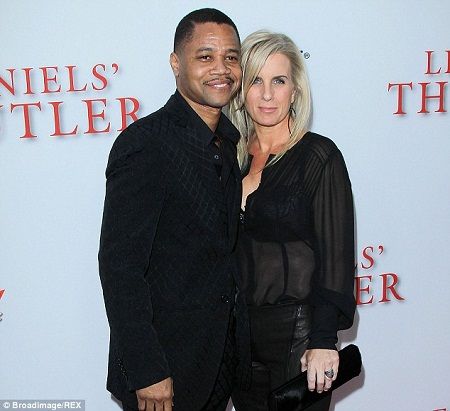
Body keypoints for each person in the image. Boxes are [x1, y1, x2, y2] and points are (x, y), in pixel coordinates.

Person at [98, 9, 250, 411]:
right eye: (205, 57)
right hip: (162, 372)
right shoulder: (146, 144)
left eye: (231, 57)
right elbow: (120, 267)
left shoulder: (227, 143)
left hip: (217, 365)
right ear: (176, 63)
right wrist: (147, 369)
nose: (221, 69)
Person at [229, 30, 356, 410]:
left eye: (279, 81)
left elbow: (336, 256)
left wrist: (323, 341)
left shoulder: (318, 157)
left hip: (298, 335)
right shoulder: (226, 158)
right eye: (256, 80)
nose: (267, 95)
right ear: (241, 91)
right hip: (237, 337)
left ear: (295, 90)